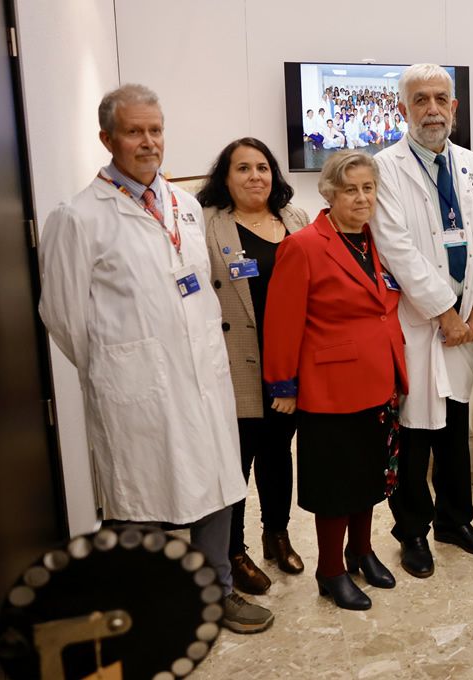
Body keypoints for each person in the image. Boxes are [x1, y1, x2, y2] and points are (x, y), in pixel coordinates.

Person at [38, 83, 272, 633]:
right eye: (135, 131)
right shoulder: (77, 217)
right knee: (137, 496)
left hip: (203, 377)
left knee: (217, 481)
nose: (149, 142)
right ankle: (143, 602)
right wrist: (123, 368)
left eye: (156, 130)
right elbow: (64, 317)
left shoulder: (184, 205)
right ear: (108, 138)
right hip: (136, 386)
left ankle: (215, 592)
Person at [372, 63, 473, 580]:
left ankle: (455, 521)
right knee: (414, 433)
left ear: (454, 107)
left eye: (440, 99)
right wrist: (444, 313)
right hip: (418, 325)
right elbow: (396, 249)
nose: (432, 108)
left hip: (466, 325)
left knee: (453, 431)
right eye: (420, 100)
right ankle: (413, 533)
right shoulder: (384, 168)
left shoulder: (470, 164)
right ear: (403, 109)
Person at [264, 150, 407, 611]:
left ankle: (361, 551)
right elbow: (282, 321)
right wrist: (283, 385)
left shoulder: (375, 241)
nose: (362, 198)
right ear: (329, 192)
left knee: (369, 476)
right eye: (351, 189)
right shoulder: (304, 245)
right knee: (336, 485)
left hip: (379, 378)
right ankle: (330, 570)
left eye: (368, 188)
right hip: (331, 387)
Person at [197, 138, 309, 597]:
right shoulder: (208, 225)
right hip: (234, 361)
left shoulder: (295, 220)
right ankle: (234, 550)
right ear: (225, 177)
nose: (255, 176)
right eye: (242, 168)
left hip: (287, 365)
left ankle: (276, 534)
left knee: (278, 455)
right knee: (236, 463)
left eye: (262, 167)